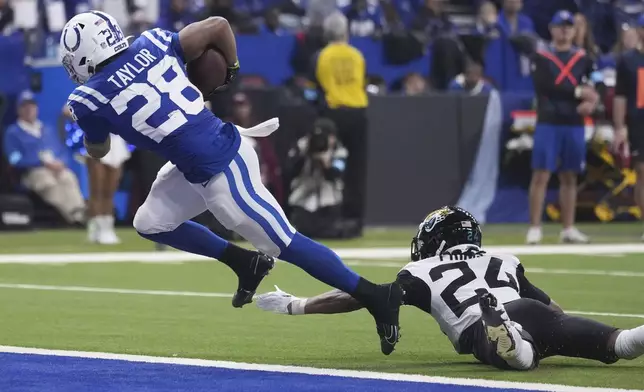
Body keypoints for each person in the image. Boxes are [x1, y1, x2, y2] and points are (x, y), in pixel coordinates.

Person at [59, 11, 401, 354]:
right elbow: (219, 25)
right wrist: (231, 70)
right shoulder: (153, 42)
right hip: (197, 161)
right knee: (150, 222)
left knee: (285, 242)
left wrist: (91, 127)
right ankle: (244, 262)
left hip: (225, 165)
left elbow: (99, 149)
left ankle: (376, 296)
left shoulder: (87, 99)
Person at [256, 205, 644, 371]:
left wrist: (298, 305)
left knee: (518, 357)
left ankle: (514, 345)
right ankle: (633, 337)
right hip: (529, 310)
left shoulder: (422, 268)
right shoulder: (504, 259)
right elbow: (553, 308)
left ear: (437, 240)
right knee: (617, 345)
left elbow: (365, 296)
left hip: (481, 326)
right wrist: (564, 326)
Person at [526, 10, 598, 245]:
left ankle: (568, 227)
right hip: (549, 121)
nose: (565, 30)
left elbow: (595, 82)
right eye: (560, 26)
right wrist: (578, 93)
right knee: (541, 174)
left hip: (573, 123)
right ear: (552, 29)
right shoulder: (542, 57)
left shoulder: (583, 57)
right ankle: (535, 227)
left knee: (570, 176)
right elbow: (545, 87)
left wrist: (593, 99)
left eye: (569, 26)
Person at [315, 12, 369, 231]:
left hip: (334, 113)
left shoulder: (323, 55)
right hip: (357, 111)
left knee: (330, 162)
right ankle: (355, 218)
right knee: (357, 168)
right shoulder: (357, 55)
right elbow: (361, 82)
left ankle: (330, 213)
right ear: (346, 32)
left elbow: (319, 84)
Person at [3, 92, 85, 225]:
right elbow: (14, 160)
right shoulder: (13, 133)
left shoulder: (47, 129)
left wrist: (60, 163)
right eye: (25, 107)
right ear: (19, 110)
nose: (29, 109)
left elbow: (60, 151)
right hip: (32, 172)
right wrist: (41, 163)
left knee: (68, 177)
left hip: (55, 168)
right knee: (48, 182)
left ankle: (80, 211)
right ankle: (73, 215)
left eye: (32, 106)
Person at [61, 105, 131, 244]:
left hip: (116, 142)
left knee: (110, 190)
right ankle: (96, 227)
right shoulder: (92, 92)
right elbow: (66, 111)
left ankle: (107, 228)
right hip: (96, 141)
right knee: (97, 189)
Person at [613, 14, 644, 240]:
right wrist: (619, 126)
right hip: (638, 121)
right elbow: (620, 96)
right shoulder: (627, 60)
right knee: (642, 172)